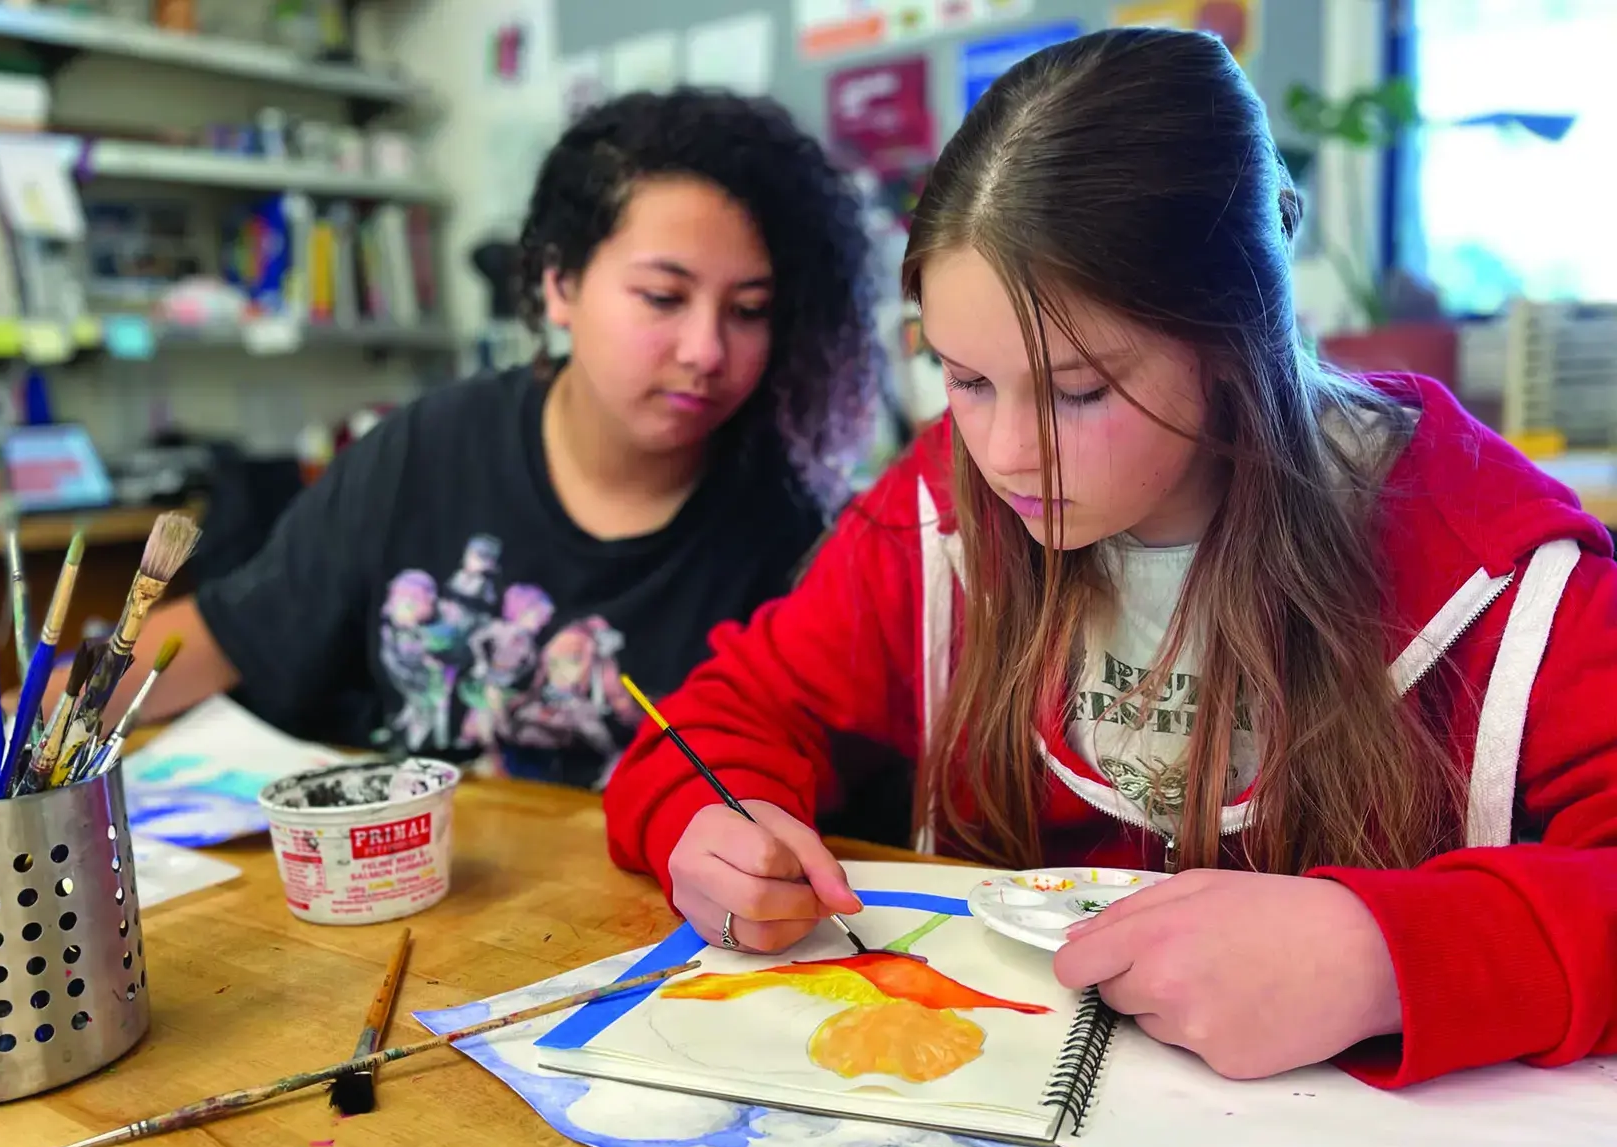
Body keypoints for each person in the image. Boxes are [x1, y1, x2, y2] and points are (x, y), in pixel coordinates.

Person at [602, 27, 1617, 1090]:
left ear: (1233, 337)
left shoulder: (1486, 565)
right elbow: (725, 717)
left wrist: (1385, 960)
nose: (1003, 452)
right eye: (965, 379)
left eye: (1078, 391)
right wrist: (708, 820)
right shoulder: (941, 512)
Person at [41, 88, 881, 789]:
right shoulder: (428, 451)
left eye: (749, 311)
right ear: (559, 284)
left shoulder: (789, 532)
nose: (706, 350)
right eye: (663, 297)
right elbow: (229, 632)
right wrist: (19, 718)